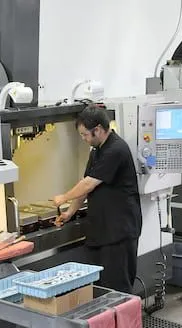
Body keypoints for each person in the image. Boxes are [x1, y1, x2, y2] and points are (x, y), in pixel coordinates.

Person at [53, 104, 142, 294]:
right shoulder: (97, 150)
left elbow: (88, 184)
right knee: (102, 288)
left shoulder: (116, 149)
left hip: (119, 233)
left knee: (119, 289)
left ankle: (125, 315)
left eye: (85, 135)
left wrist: (63, 197)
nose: (84, 139)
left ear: (98, 130)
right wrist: (70, 212)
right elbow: (85, 183)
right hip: (103, 230)